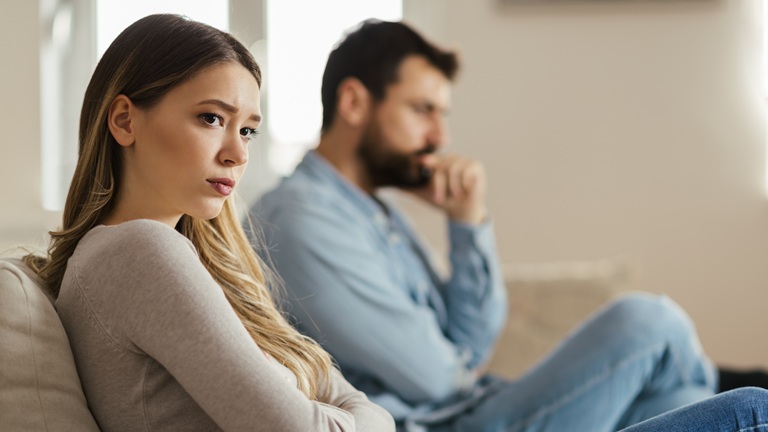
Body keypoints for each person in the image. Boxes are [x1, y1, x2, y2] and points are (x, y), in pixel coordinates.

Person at [253, 19, 768, 431]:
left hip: (479, 407)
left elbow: (474, 343)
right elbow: (438, 379)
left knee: (687, 401)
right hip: (452, 424)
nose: (440, 135)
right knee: (650, 322)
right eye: (422, 110)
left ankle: (710, 379)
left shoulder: (376, 212)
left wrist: (467, 223)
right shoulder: (300, 219)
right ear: (354, 103)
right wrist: (464, 360)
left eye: (443, 114)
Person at [22, 14, 394, 432]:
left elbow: (344, 396)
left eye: (249, 130)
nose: (238, 154)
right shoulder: (139, 252)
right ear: (125, 121)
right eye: (212, 118)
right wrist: (369, 419)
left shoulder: (160, 256)